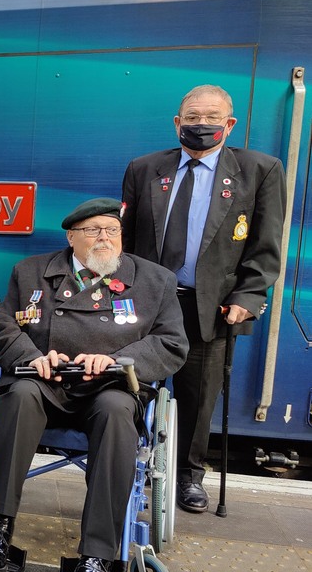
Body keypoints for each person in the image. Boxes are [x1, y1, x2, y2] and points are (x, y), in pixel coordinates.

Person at [0, 198, 187, 572]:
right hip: (46, 385)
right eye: (93, 230)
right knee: (19, 394)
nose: (104, 238)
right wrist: (35, 358)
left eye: (112, 230)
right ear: (71, 236)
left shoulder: (154, 281)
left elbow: (171, 343)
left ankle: (97, 555)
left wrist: (117, 360)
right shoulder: (30, 273)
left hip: (110, 388)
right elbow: (4, 329)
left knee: (115, 411)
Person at [121, 84, 285, 513]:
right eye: (192, 117)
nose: (201, 125)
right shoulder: (144, 168)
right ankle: (119, 465)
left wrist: (249, 295)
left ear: (229, 124)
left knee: (198, 396)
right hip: (147, 303)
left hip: (209, 305)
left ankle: (187, 477)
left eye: (212, 118)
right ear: (177, 123)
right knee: (130, 388)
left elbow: (266, 246)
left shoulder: (260, 170)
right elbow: (127, 239)